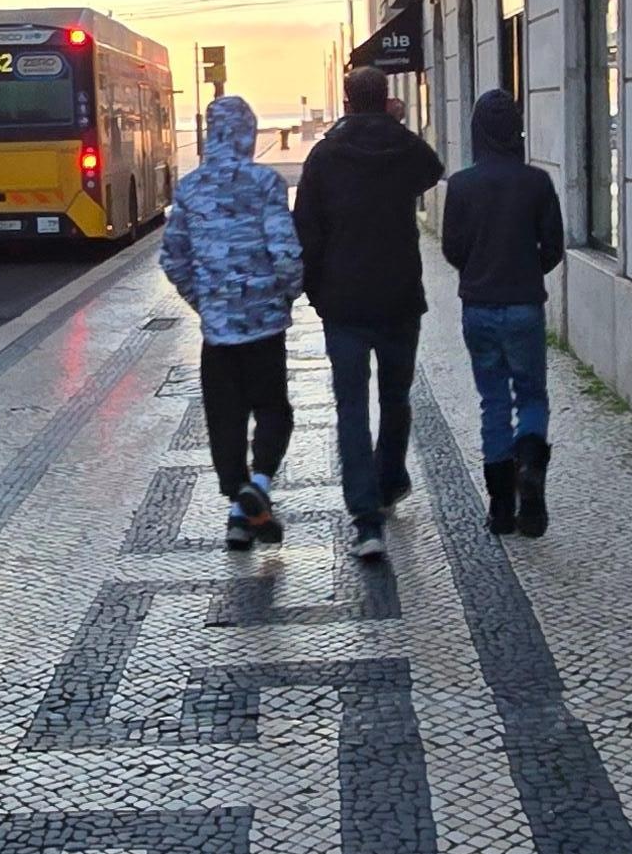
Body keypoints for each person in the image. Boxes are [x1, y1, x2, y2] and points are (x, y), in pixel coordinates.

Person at [293, 67, 444, 560]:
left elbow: (306, 231)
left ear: (346, 100)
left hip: (344, 302)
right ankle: (390, 478)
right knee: (396, 397)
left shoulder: (325, 155)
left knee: (351, 407)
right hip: (399, 297)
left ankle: (365, 517)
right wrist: (394, 125)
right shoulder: (402, 148)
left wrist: (316, 293)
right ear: (385, 100)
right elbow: (433, 168)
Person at [157, 88, 306, 549]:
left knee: (225, 419)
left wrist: (204, 301)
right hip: (264, 326)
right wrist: (286, 294)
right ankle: (257, 486)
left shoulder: (190, 188)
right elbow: (285, 250)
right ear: (247, 135)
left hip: (217, 333)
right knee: (273, 410)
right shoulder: (265, 183)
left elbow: (172, 258)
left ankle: (237, 514)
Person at [438, 86, 566, 535]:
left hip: (479, 307)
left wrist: (479, 269)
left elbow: (451, 248)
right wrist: (526, 268)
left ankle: (500, 508)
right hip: (525, 305)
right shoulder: (537, 182)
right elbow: (554, 247)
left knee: (493, 401)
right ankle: (530, 465)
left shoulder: (461, 185)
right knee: (531, 395)